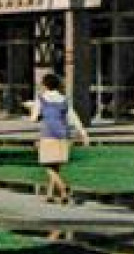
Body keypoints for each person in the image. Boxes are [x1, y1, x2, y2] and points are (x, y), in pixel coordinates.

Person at [28, 72, 90, 204]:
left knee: (46, 164)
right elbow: (73, 117)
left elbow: (33, 119)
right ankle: (52, 195)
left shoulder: (41, 99)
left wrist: (32, 109)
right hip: (63, 134)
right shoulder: (64, 100)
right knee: (56, 164)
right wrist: (83, 133)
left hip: (48, 134)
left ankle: (63, 188)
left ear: (45, 85)